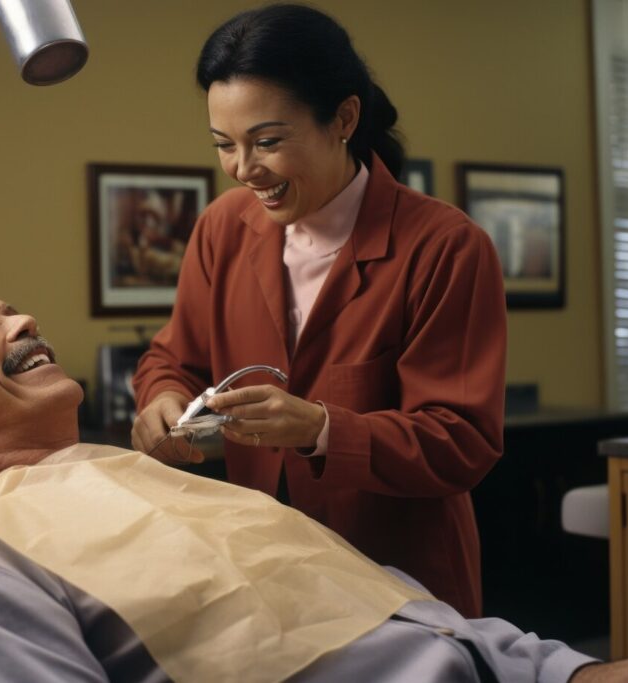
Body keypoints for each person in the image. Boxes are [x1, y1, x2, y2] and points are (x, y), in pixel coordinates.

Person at [0, 264, 628, 683]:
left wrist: (567, 668)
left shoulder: (153, 476)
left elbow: (383, 602)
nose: (23, 317)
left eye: (9, 307)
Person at [131, 3, 505, 618]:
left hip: (402, 585)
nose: (244, 170)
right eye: (225, 145)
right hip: (266, 572)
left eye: (268, 142)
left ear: (344, 118)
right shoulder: (223, 228)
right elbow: (172, 357)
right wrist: (161, 398)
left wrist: (319, 428)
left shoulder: (446, 246)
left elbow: (461, 440)